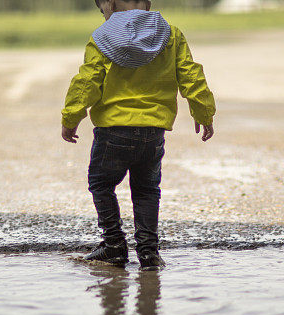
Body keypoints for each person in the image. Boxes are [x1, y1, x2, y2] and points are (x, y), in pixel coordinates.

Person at [61, 0, 216, 271]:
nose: (104, 14)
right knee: (146, 191)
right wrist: (203, 112)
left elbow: (87, 81)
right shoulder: (170, 33)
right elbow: (191, 75)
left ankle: (113, 245)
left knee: (100, 184)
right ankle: (149, 254)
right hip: (153, 131)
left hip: (113, 130)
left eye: (102, 9)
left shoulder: (103, 36)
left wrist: (71, 117)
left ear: (109, 2)